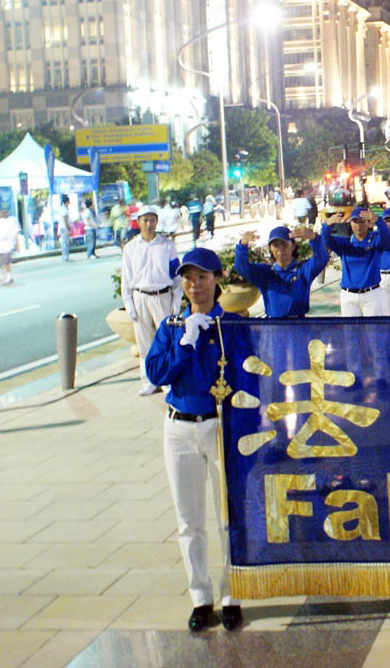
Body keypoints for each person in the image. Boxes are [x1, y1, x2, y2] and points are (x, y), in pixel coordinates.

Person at [144, 247, 246, 632]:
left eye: (202, 277)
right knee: (188, 520)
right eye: (188, 278)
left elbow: (247, 374)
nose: (194, 285)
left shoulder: (231, 326)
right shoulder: (172, 327)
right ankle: (200, 597)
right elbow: (157, 373)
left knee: (227, 517)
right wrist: (185, 342)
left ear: (217, 280)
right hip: (179, 429)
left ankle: (232, 594)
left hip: (219, 427)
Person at [121, 205, 182, 395]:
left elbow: (176, 275)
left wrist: (176, 300)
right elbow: (126, 278)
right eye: (145, 220)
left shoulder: (167, 246)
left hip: (162, 296)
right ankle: (149, 381)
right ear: (139, 222)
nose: (149, 224)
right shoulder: (131, 248)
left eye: (152, 220)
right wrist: (129, 304)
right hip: (140, 297)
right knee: (144, 343)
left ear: (157, 221)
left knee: (165, 341)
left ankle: (166, 380)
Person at [233, 225, 328, 318]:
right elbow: (241, 267)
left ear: (293, 246)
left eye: (284, 244)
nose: (280, 249)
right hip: (274, 326)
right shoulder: (265, 273)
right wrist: (243, 245)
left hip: (299, 325)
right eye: (275, 245)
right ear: (270, 248)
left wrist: (314, 238)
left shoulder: (303, 270)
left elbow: (322, 258)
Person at [321, 206, 390, 317]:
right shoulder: (345, 244)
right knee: (350, 329)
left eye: (362, 221)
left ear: (368, 223)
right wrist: (328, 225)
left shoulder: (375, 241)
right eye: (355, 221)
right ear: (350, 223)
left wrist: (378, 220)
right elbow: (325, 240)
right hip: (349, 297)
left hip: (372, 295)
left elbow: (387, 237)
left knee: (374, 328)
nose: (358, 225)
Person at [0, 209, 20, 285]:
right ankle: (5, 275)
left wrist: (17, 244)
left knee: (6, 261)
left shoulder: (10, 222)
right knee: (2, 262)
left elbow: (14, 233)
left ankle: (7, 276)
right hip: (0, 246)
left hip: (6, 245)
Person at [59, 194, 73, 261]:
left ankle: (66, 256)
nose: (69, 203)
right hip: (64, 228)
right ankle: (65, 257)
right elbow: (65, 220)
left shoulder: (64, 209)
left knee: (65, 243)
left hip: (64, 227)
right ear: (66, 202)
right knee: (65, 243)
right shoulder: (64, 209)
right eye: (68, 202)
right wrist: (67, 229)